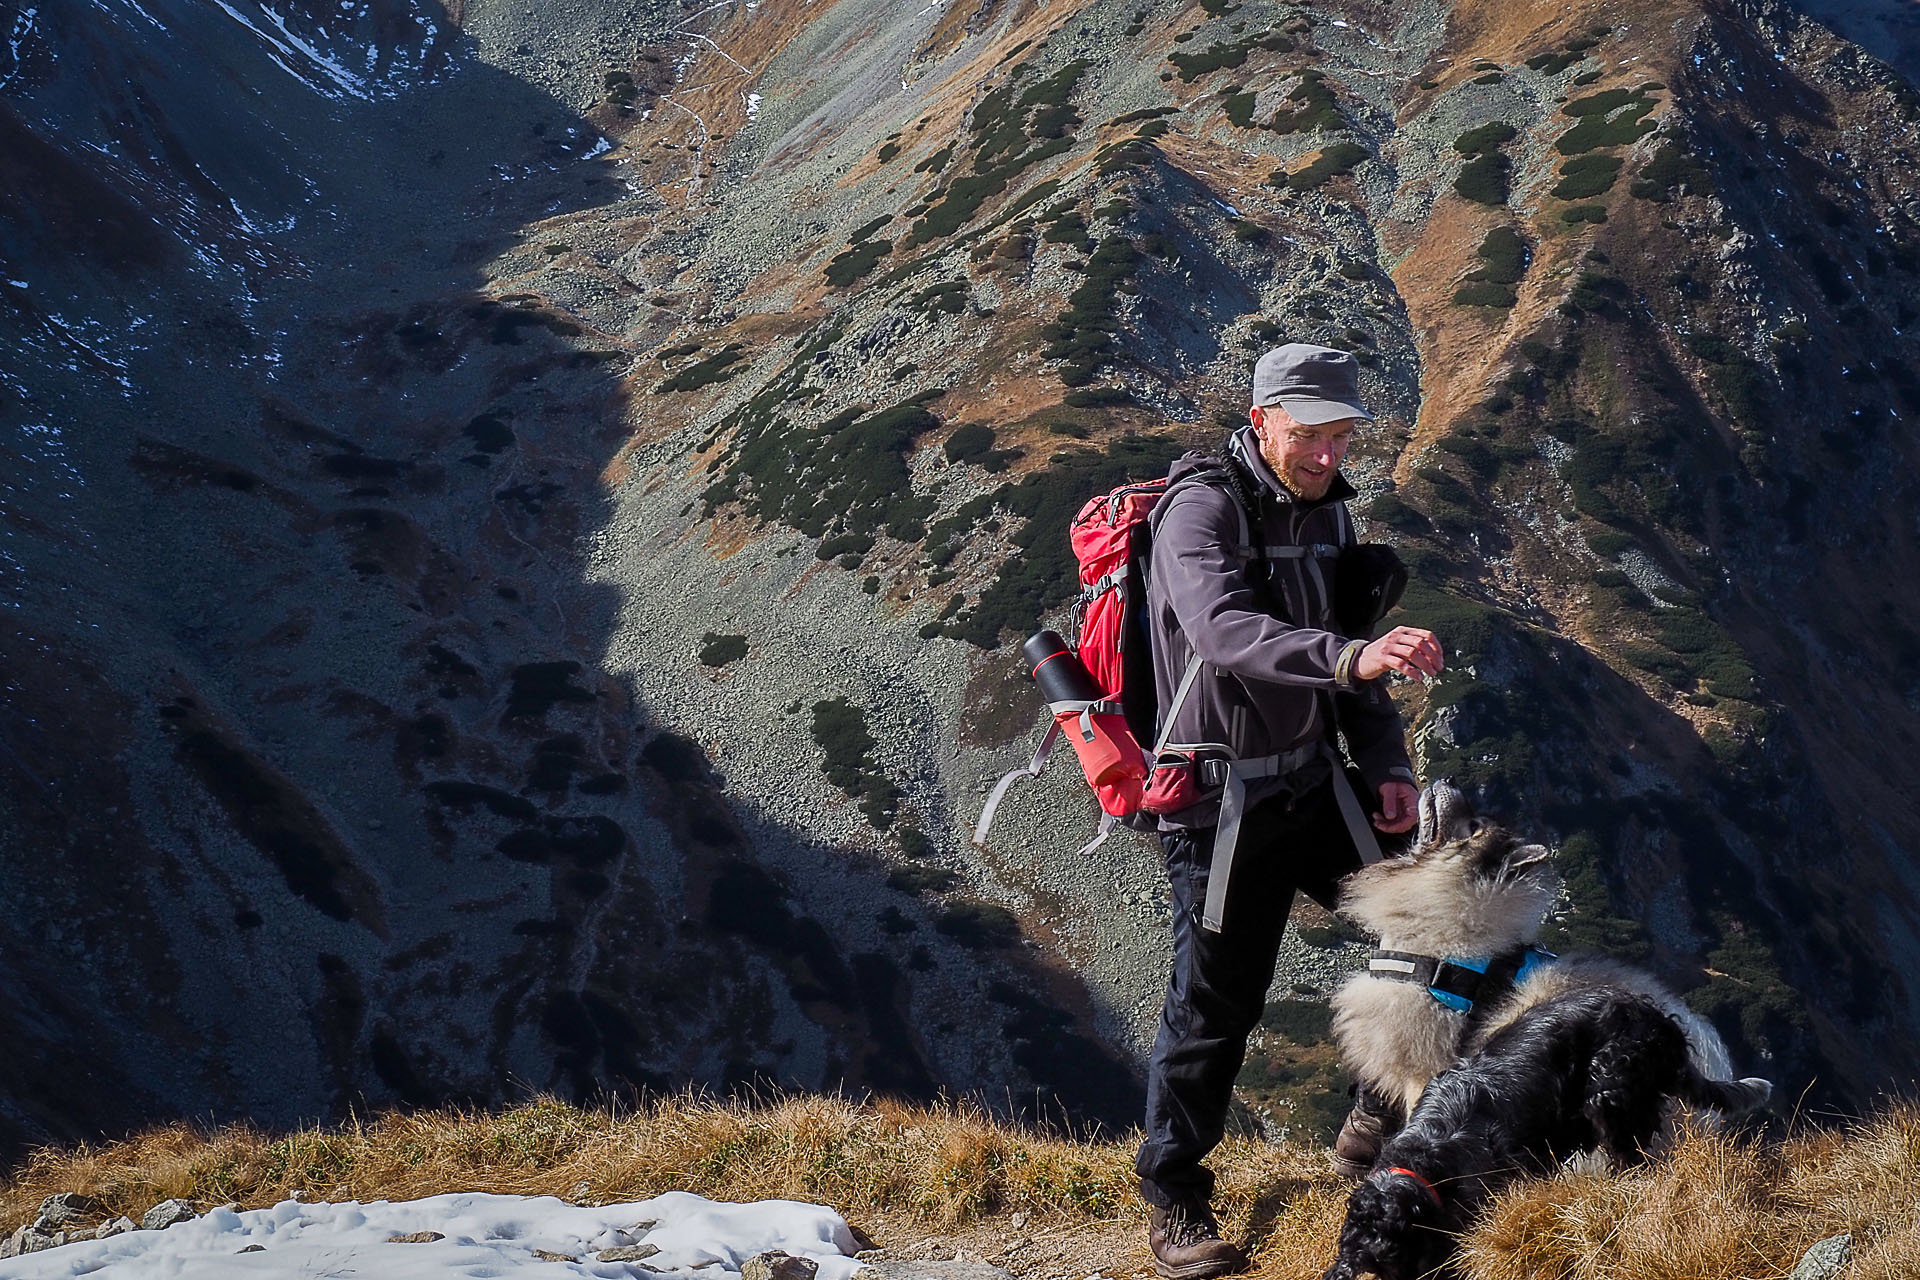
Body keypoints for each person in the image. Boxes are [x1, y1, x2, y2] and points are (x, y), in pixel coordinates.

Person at [1135, 343, 1444, 1279]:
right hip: (1222, 797)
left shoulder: (1327, 515)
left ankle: (1371, 1120)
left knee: (1439, 930)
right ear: (1262, 417)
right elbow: (1225, 632)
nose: (1325, 455)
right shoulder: (1201, 508)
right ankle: (1175, 1197)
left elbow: (1352, 644)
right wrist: (1355, 661)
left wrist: (1385, 760)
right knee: (1216, 1002)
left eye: (1342, 436)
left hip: (1313, 777)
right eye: (1308, 435)